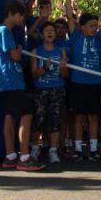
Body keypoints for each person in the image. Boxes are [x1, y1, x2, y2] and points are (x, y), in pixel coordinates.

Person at [0, 1, 45, 171]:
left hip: (8, 81)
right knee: (27, 114)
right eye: (20, 15)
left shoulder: (3, 31)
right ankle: (23, 156)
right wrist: (20, 47)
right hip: (11, 80)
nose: (22, 19)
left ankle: (10, 156)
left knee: (10, 117)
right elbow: (15, 55)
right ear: (12, 13)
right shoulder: (4, 31)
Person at [65, 0, 101, 162]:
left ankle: (93, 149)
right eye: (91, 25)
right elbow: (69, 16)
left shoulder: (99, 37)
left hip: (95, 84)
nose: (95, 28)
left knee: (93, 117)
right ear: (81, 26)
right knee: (78, 117)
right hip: (78, 83)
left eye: (96, 25)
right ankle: (77, 149)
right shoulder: (76, 35)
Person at [31, 21, 69, 164]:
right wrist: (45, 68)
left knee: (55, 120)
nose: (50, 32)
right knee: (39, 120)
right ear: (41, 34)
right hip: (41, 89)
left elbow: (65, 75)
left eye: (52, 30)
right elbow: (34, 74)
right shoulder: (36, 51)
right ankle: (35, 148)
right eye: (46, 30)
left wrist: (64, 67)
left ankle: (53, 151)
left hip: (58, 89)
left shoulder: (61, 51)